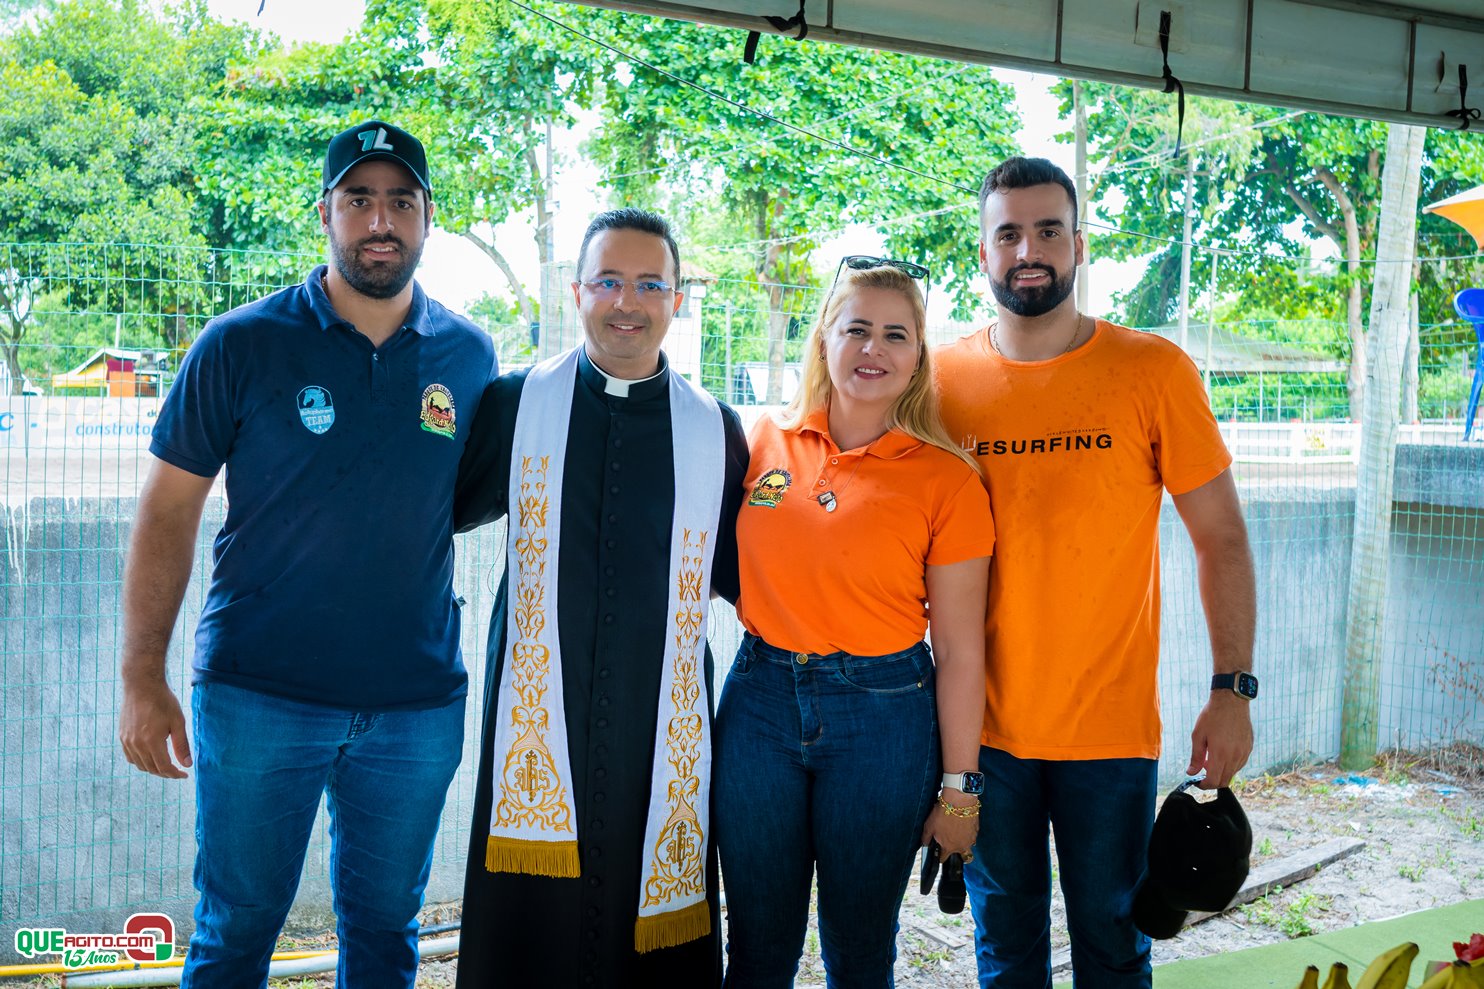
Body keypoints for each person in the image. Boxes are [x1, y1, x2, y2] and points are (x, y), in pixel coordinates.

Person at [116, 119, 498, 987]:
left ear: (428, 219)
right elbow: (167, 512)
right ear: (325, 211)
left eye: (401, 201)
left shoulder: (469, 355)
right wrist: (142, 675)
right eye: (359, 199)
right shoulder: (242, 344)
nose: (380, 221)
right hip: (260, 698)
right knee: (234, 931)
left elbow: (465, 498)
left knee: (384, 934)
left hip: (414, 707)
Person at [935, 156, 1258, 989]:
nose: (1028, 249)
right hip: (984, 733)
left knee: (1116, 947)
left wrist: (1233, 688)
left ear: (1079, 246)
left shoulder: (1152, 371)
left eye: (1048, 230)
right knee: (1005, 952)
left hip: (1109, 736)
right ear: (982, 253)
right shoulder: (938, 384)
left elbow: (1220, 534)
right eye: (1007, 232)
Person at [452, 207, 749, 989]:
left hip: (661, 725)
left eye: (651, 283)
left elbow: (757, 577)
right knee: (532, 934)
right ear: (577, 289)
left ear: (677, 299)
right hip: (539, 712)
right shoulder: (519, 403)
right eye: (609, 280)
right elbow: (433, 513)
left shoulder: (715, 429)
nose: (629, 301)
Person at [715, 257, 995, 988]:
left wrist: (960, 792)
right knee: (754, 944)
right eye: (857, 329)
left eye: (895, 335)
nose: (874, 349)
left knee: (861, 945)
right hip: (760, 701)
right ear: (823, 341)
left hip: (883, 716)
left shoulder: (948, 477)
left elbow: (962, 650)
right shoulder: (763, 441)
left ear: (918, 357)